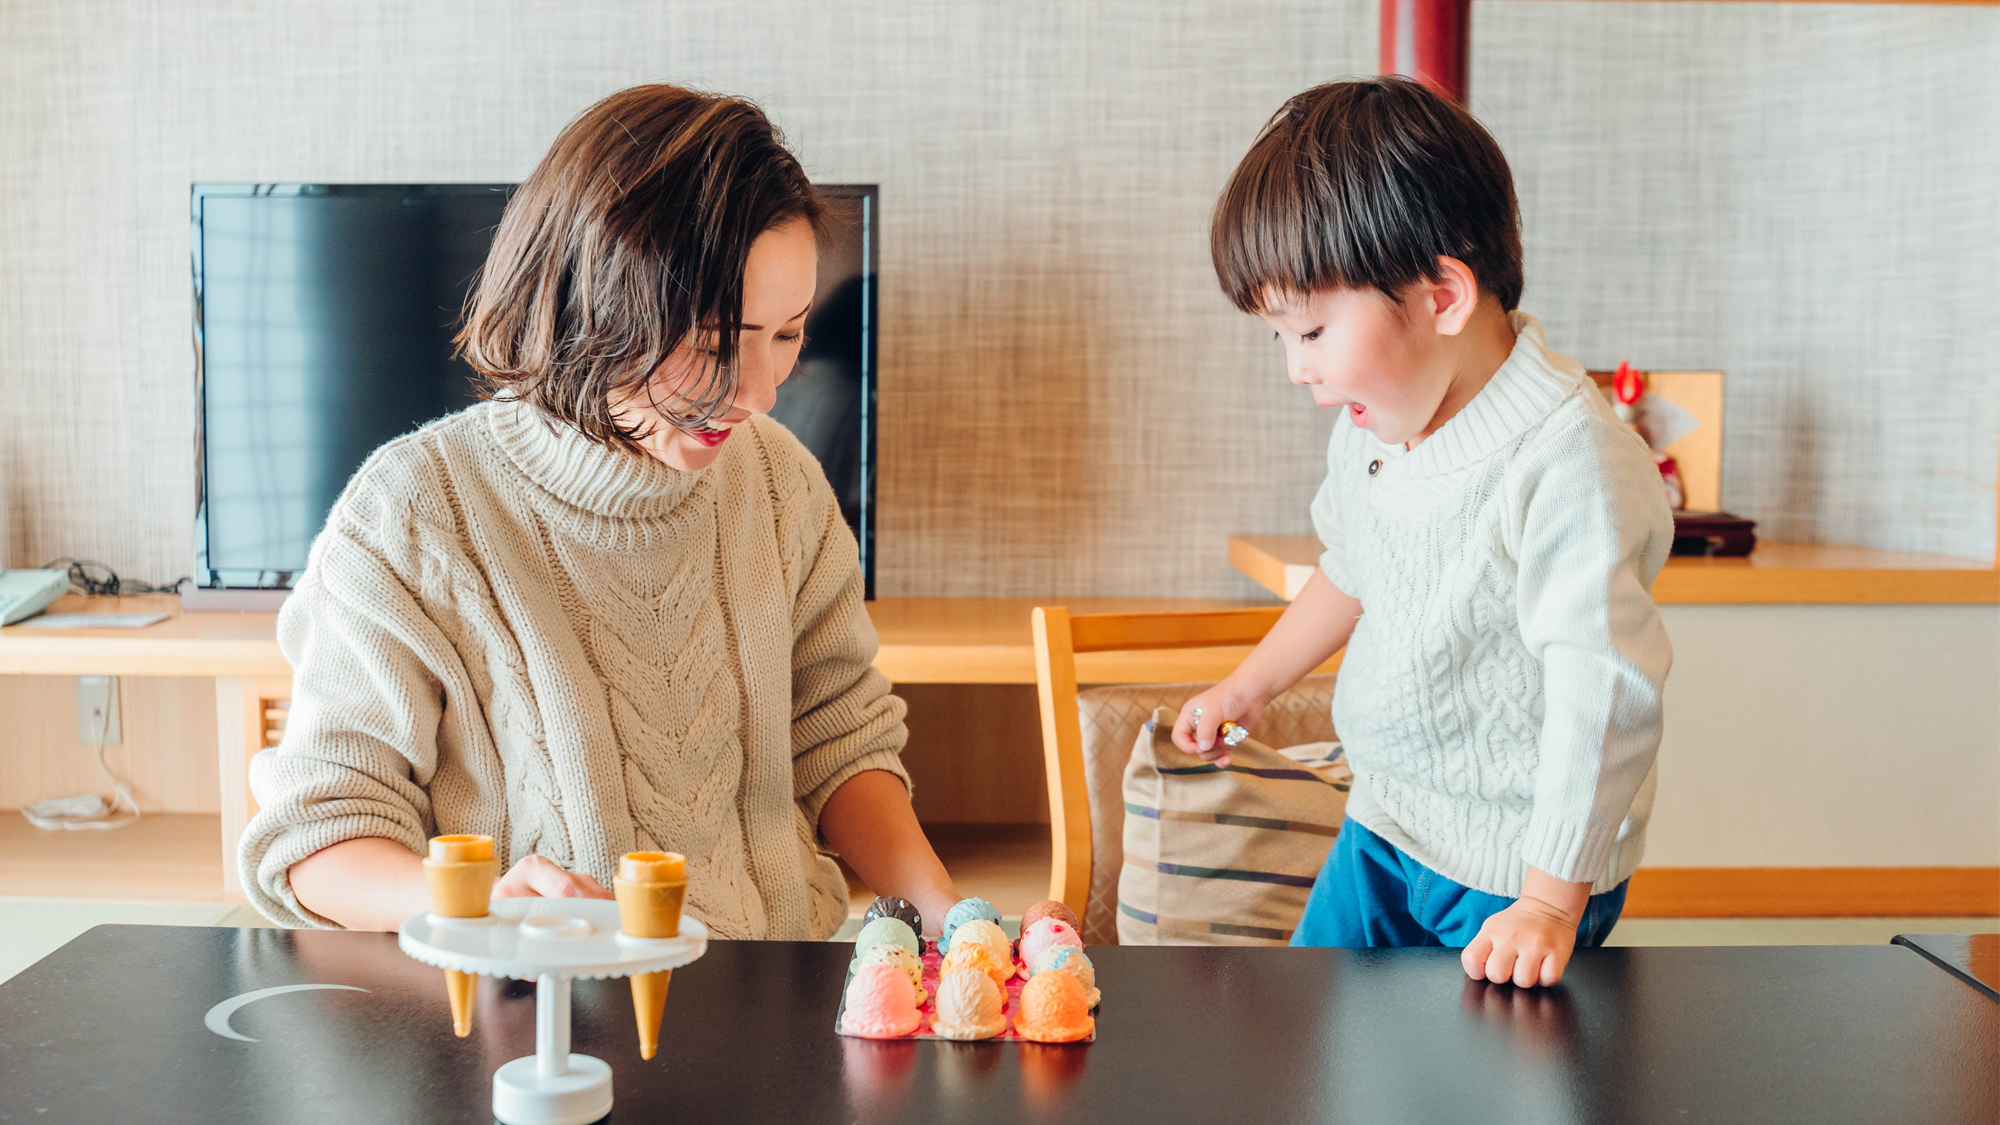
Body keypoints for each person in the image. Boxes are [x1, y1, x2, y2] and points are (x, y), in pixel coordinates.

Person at [239, 84, 960, 939]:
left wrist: (959, 919)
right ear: (596, 304)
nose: (761, 393)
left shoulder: (780, 486)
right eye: (717, 343)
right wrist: (486, 904)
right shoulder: (414, 512)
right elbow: (320, 834)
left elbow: (837, 739)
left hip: (771, 1001)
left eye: (789, 333)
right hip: (536, 1014)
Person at [1180, 77, 1673, 986]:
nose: (1299, 370)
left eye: (1315, 329)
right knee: (1324, 1036)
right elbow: (1350, 567)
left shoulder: (1570, 462)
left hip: (1513, 871)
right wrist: (1249, 684)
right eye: (1280, 338)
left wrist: (1549, 901)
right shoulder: (1375, 425)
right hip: (1387, 823)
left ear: (1443, 294)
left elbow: (1604, 694)